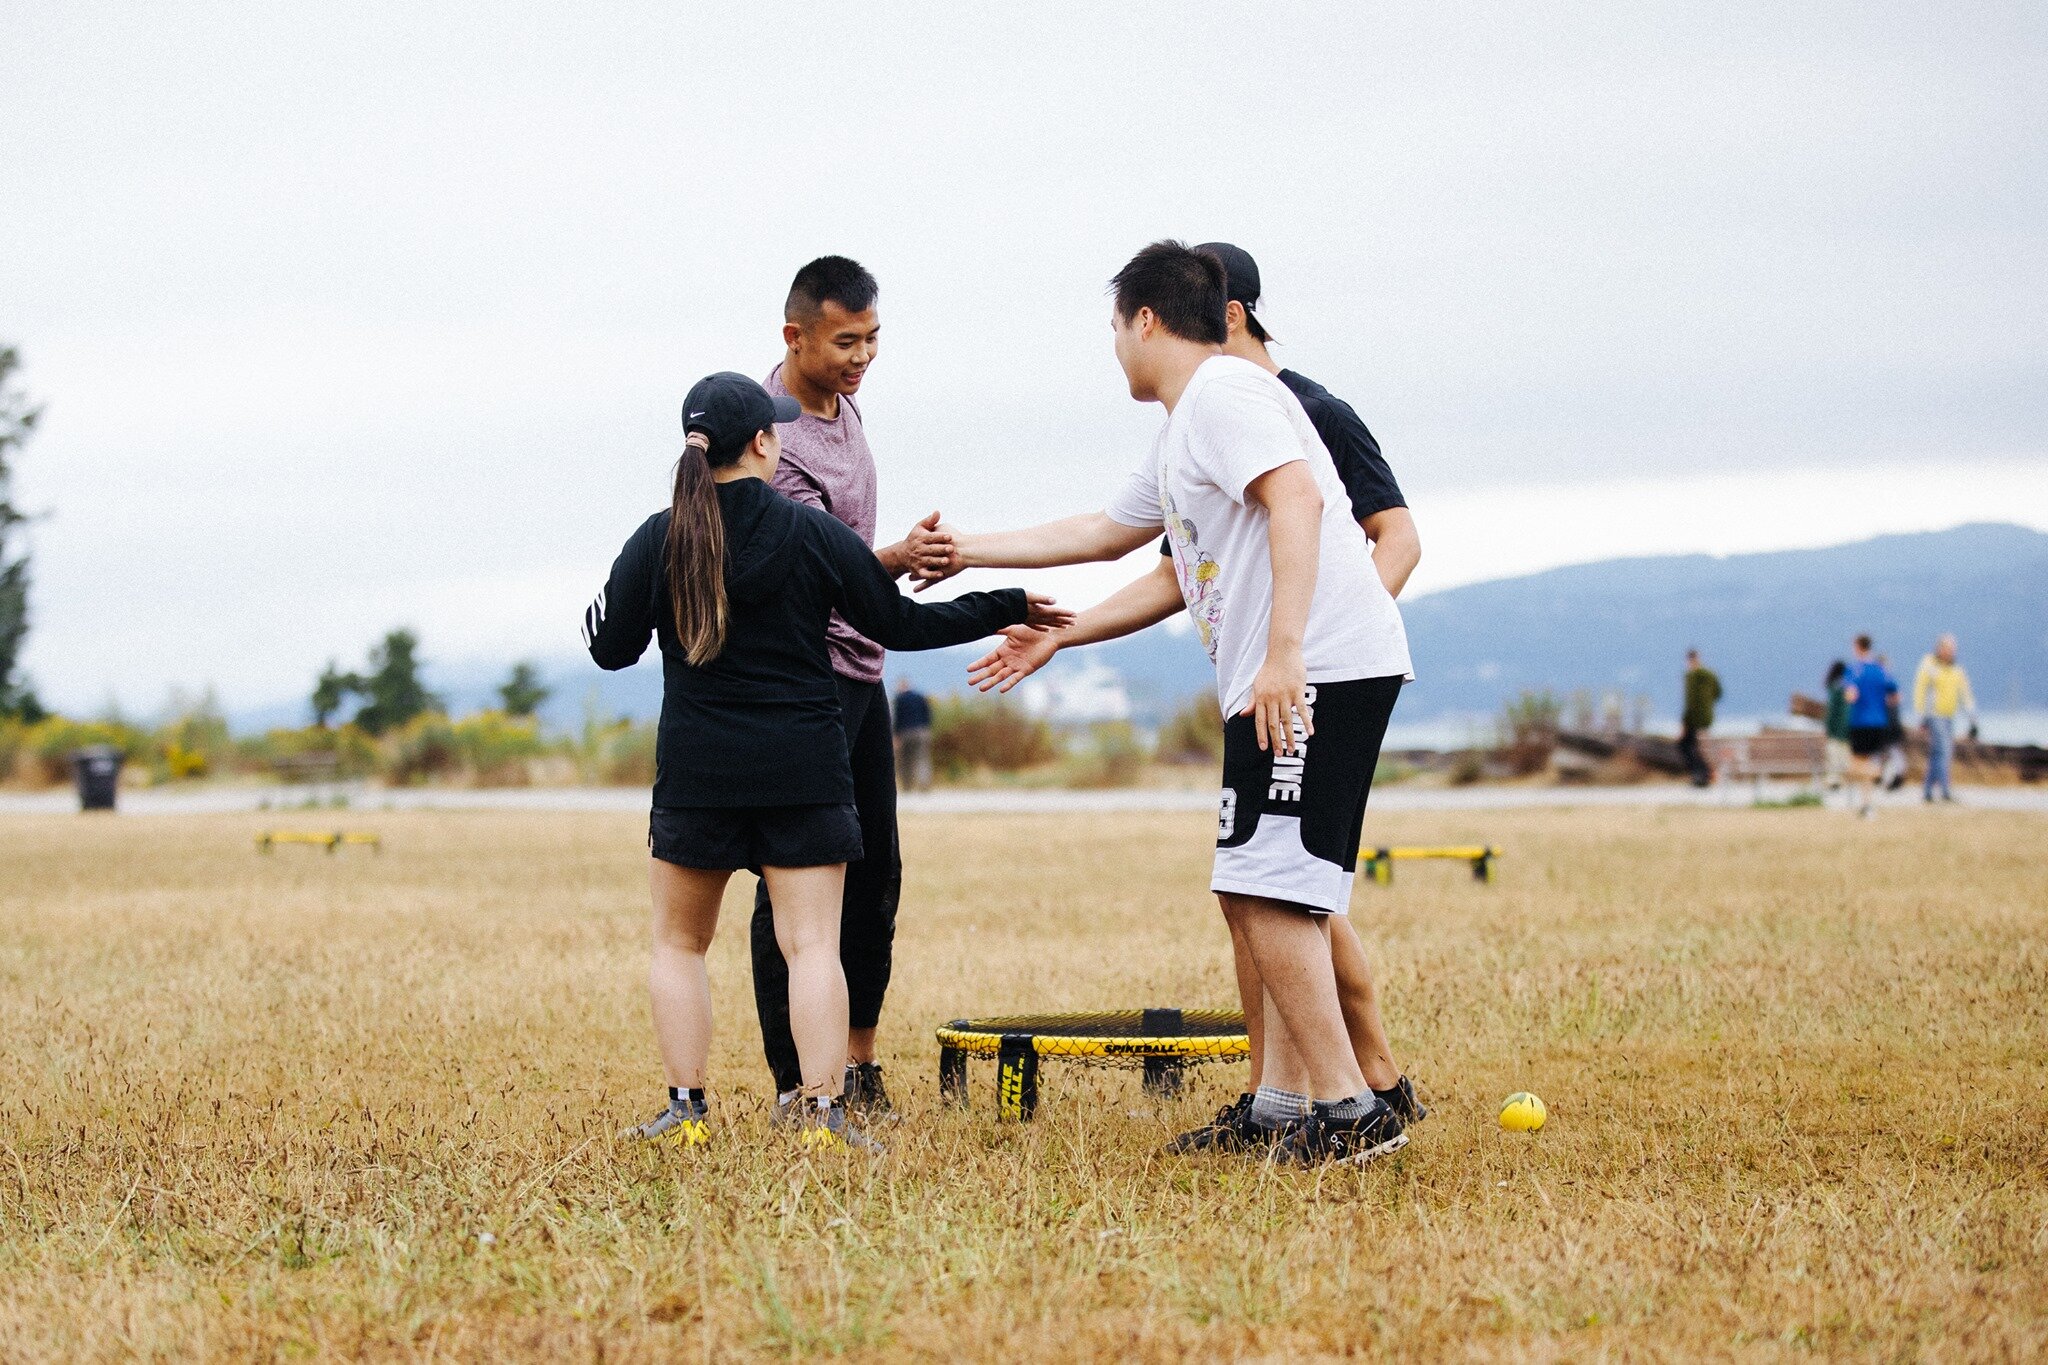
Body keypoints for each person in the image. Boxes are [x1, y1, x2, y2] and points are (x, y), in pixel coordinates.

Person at [928, 242, 1427, 1157]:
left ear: (1145, 320)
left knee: (1274, 887)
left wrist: (1284, 656)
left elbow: (1301, 501)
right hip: (1272, 675)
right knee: (1249, 890)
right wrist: (975, 554)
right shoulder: (1188, 421)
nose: (1115, 349)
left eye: (1116, 329)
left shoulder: (1228, 396)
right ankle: (1282, 1107)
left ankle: (1350, 1111)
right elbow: (1107, 533)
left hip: (1315, 668)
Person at [583, 370, 1065, 1150]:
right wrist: (1006, 603)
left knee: (679, 943)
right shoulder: (809, 533)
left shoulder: (661, 534)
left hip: (697, 773)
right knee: (812, 945)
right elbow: (898, 624)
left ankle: (686, 1111)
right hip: (803, 766)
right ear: (764, 443)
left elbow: (609, 646)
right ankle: (821, 1114)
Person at [749, 257, 951, 1124]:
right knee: (796, 884)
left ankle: (859, 1066)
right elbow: (810, 565)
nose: (863, 355)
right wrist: (898, 561)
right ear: (794, 336)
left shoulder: (846, 403)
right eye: (844, 341)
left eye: (873, 338)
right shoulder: (773, 440)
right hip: (806, 681)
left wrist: (894, 568)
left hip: (863, 669)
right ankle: (799, 1084)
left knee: (876, 876)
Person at [1914, 634, 1977, 803]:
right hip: (1934, 715)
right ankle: (1945, 791)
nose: (1951, 652)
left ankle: (1927, 791)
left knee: (1937, 754)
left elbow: (1965, 694)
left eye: (1953, 649)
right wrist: (1922, 716)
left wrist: (1972, 718)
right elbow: (1921, 691)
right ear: (1939, 648)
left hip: (1949, 715)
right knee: (1944, 750)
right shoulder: (1930, 666)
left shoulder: (1956, 670)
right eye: (1948, 648)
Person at [1843, 634, 1898, 817]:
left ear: (1857, 646)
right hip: (1880, 722)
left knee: (1854, 766)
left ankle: (1881, 772)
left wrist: (1850, 697)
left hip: (1860, 722)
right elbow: (1895, 696)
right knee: (1865, 764)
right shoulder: (1881, 670)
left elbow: (1850, 695)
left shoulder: (1855, 670)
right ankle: (1867, 805)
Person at [1678, 650, 1722, 788]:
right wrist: (1707, 704)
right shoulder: (1710, 674)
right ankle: (1706, 774)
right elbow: (1718, 693)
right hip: (1707, 717)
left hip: (1694, 718)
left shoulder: (1692, 676)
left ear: (1689, 660)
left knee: (1684, 745)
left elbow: (1690, 702)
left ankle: (1702, 774)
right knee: (1696, 746)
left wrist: (1684, 723)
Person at [892, 679, 935, 791]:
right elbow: (928, 714)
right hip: (922, 731)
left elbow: (897, 719)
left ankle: (907, 786)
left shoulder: (899, 699)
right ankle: (924, 785)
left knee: (906, 760)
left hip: (905, 732)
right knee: (923, 758)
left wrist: (896, 736)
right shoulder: (920, 697)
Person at [1822, 660, 1852, 794]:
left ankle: (1834, 781)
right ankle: (1842, 780)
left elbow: (1831, 710)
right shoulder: (1848, 687)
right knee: (1844, 755)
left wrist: (1828, 727)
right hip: (1848, 728)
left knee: (1833, 755)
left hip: (1835, 729)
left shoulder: (1834, 688)